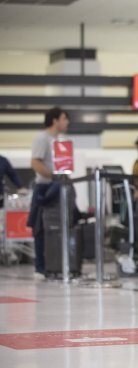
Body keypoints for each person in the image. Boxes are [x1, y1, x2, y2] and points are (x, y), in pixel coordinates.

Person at [27, 107, 69, 279]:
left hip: (58, 186)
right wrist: (53, 177)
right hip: (45, 187)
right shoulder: (42, 139)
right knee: (40, 227)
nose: (67, 122)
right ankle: (40, 267)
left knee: (57, 226)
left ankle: (55, 264)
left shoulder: (60, 140)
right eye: (64, 118)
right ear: (55, 120)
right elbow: (35, 163)